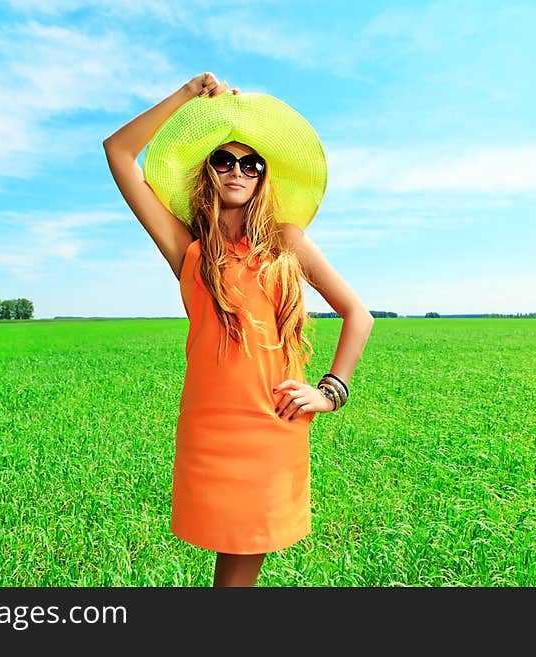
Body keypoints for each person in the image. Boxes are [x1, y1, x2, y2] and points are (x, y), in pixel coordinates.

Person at [103, 72, 374, 587]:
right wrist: (187, 96)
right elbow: (118, 153)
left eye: (251, 163)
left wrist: (330, 392)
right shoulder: (188, 250)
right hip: (209, 430)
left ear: (262, 177)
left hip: (273, 428)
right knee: (226, 573)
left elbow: (358, 315)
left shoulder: (286, 241)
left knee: (237, 575)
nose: (238, 170)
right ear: (208, 172)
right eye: (224, 160)